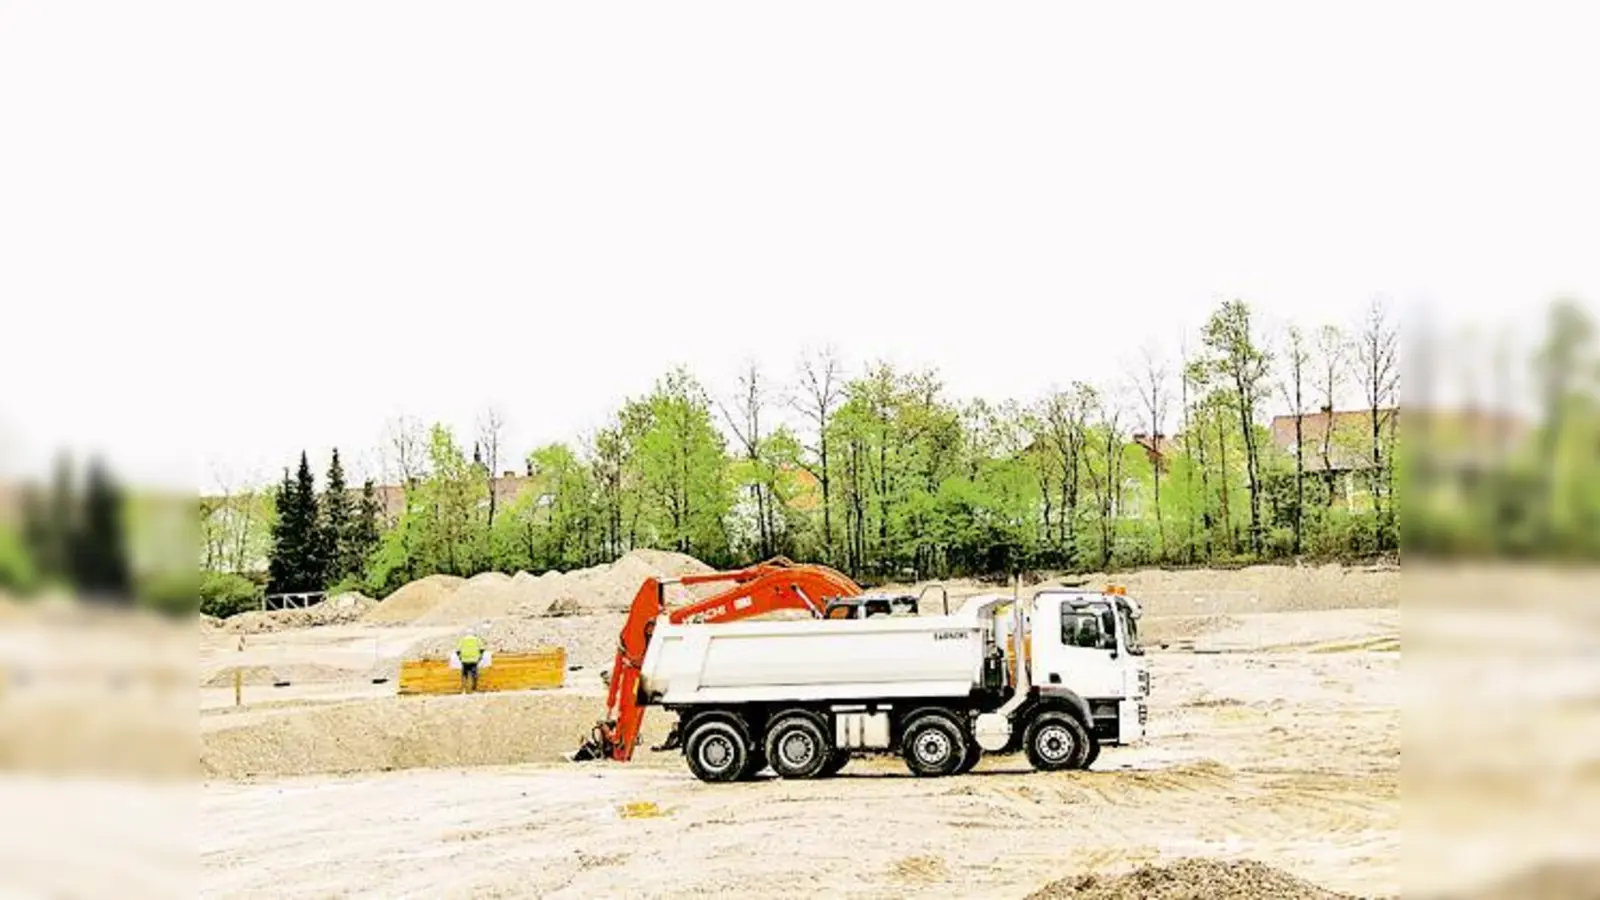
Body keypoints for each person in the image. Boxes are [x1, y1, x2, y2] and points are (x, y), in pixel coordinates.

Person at [456, 627, 487, 693]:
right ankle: (474, 688)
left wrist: (460, 657)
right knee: (474, 674)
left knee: (464, 674)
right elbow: (482, 649)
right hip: (474, 660)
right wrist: (480, 657)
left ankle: (464, 689)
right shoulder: (476, 640)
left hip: (464, 660)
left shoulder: (463, 640)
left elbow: (458, 650)